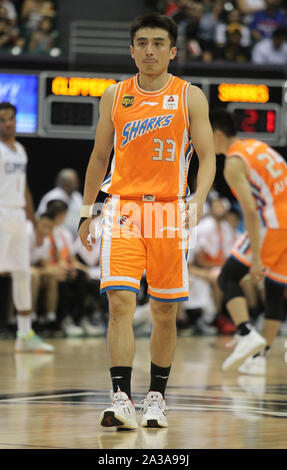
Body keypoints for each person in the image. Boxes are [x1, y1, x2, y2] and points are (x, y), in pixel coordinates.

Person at [78, 12, 215, 430]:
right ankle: (120, 397)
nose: (150, 50)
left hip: (171, 209)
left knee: (164, 310)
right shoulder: (115, 95)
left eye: (158, 43)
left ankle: (156, 396)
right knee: (120, 302)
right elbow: (100, 157)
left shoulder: (189, 96)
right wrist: (87, 211)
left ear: (173, 51)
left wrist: (200, 197)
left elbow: (208, 157)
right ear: (132, 49)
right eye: (142, 43)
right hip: (123, 208)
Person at [210, 108, 287, 375]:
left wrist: (255, 256)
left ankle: (245, 333)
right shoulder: (257, 146)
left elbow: (251, 212)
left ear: (217, 134)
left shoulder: (233, 162)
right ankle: (260, 357)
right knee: (276, 289)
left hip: (273, 224)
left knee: (227, 277)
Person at [0, 101, 54, 353]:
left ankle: (24, 334)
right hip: (1, 212)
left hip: (18, 218)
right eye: (2, 119)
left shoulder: (20, 150)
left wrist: (33, 222)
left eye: (10, 118)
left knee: (22, 273)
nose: (7, 123)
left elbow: (25, 188)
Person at [37, 168, 83, 239]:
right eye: (74, 181)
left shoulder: (77, 196)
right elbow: (43, 220)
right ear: (65, 184)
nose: (77, 183)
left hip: (76, 236)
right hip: (54, 235)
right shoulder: (53, 197)